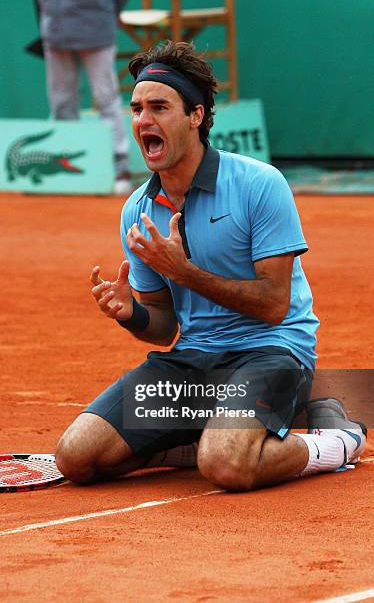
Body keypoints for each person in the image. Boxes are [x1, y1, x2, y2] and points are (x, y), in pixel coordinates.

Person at [55, 41, 366, 490]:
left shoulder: (260, 184)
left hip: (273, 354)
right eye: (137, 108)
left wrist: (184, 272)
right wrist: (132, 314)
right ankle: (207, 435)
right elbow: (163, 329)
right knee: (76, 457)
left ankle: (339, 440)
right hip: (194, 368)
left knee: (225, 467)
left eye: (159, 107)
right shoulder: (138, 210)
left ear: (195, 116)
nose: (144, 120)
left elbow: (275, 304)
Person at [38, 0, 132, 194]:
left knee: (106, 98)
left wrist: (111, 12)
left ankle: (119, 167)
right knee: (62, 103)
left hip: (96, 29)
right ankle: (64, 165)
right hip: (56, 31)